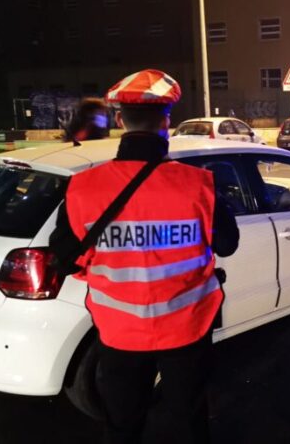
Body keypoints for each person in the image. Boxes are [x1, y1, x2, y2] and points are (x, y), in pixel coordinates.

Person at [49, 69, 239, 443]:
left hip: (119, 335)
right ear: (166, 121)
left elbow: (64, 255)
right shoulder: (200, 184)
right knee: (188, 420)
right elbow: (228, 244)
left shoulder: (83, 188)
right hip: (188, 330)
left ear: (120, 120)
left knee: (122, 425)